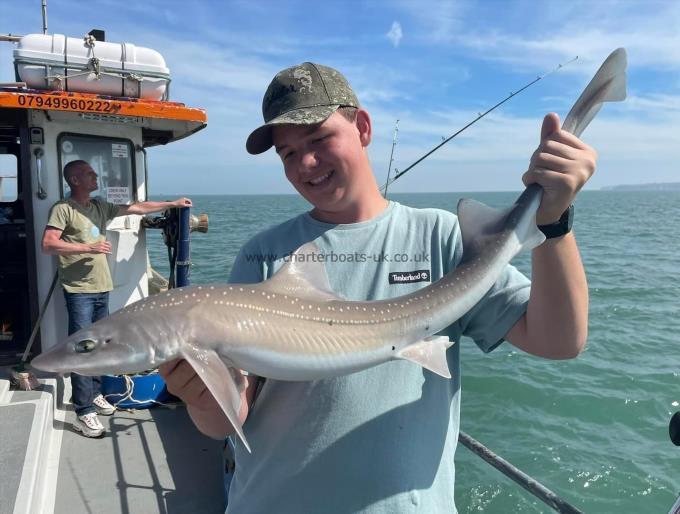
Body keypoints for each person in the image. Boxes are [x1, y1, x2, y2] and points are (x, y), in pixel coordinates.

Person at [160, 63, 595, 512]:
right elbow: (229, 417)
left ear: (362, 127)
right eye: (287, 153)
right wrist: (199, 392)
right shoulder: (264, 254)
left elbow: (559, 341)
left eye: (318, 139)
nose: (305, 163)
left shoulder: (441, 239)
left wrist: (554, 221)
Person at [42, 159, 192, 438]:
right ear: (75, 180)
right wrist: (88, 246)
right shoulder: (63, 209)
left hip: (101, 287)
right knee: (83, 348)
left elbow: (135, 207)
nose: (95, 176)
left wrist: (172, 204)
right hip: (79, 290)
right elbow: (48, 244)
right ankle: (84, 410)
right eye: (89, 173)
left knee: (101, 347)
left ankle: (96, 393)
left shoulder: (99, 206)